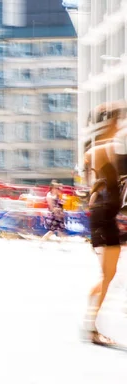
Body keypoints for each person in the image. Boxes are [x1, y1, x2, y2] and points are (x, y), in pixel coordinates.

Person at [82, 101, 127, 346]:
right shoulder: (109, 148)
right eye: (117, 120)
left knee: (107, 275)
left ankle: (90, 326)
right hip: (106, 216)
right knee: (107, 276)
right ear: (109, 122)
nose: (119, 124)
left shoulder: (92, 149)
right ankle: (90, 328)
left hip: (101, 214)